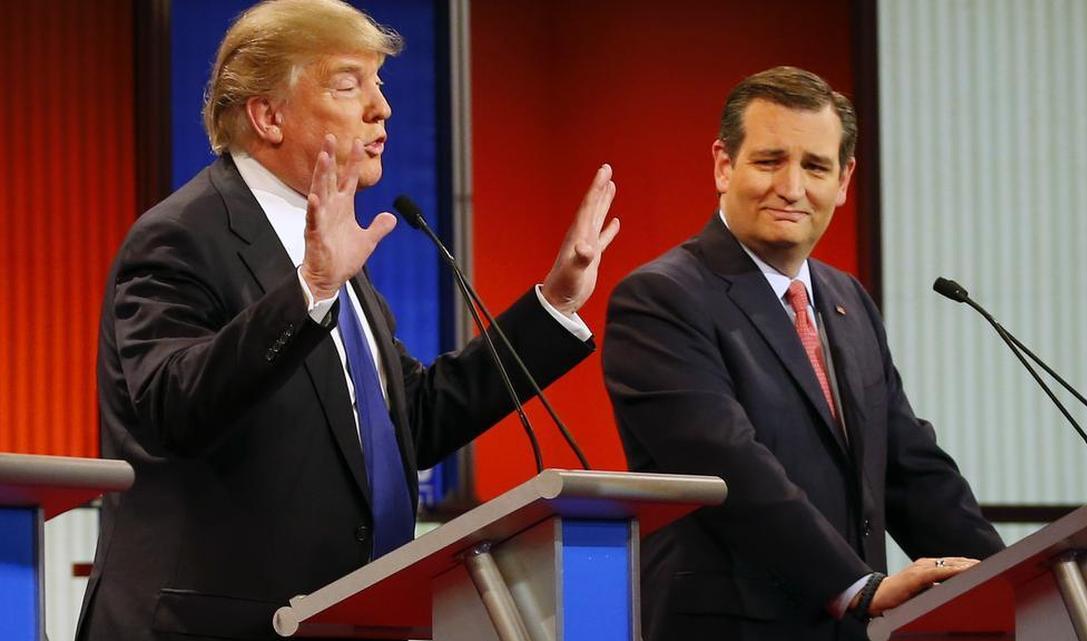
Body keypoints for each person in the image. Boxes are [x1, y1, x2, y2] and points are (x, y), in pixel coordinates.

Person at [78, 1, 619, 640]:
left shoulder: (333, 251)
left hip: (341, 620)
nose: (381, 107)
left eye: (379, 84)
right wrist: (309, 288)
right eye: (347, 84)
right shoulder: (181, 237)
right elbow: (173, 407)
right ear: (268, 116)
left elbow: (411, 422)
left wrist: (553, 305)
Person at [602, 66, 1001, 641]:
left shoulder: (847, 298)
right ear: (724, 165)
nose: (791, 188)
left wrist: (1011, 582)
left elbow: (910, 469)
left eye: (815, 166)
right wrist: (856, 587)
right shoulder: (661, 297)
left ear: (843, 180)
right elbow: (727, 464)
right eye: (769, 161)